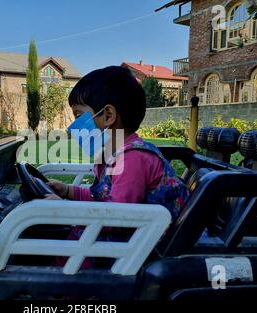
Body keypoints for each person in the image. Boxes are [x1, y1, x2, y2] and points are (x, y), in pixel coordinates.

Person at [46, 66, 190, 222]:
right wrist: (67, 191)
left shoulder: (132, 160)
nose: (74, 126)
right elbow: (101, 198)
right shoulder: (115, 155)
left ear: (108, 116)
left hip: (135, 243)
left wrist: (63, 210)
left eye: (79, 116)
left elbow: (116, 218)